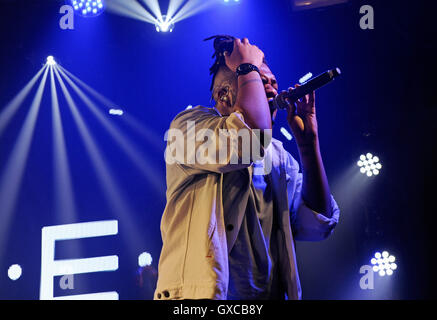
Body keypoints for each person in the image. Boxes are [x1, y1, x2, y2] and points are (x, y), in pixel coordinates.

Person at [154, 35, 340, 300]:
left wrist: (309, 146)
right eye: (259, 80)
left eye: (274, 82)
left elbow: (318, 224)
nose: (275, 90)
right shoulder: (187, 128)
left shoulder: (277, 156)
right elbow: (248, 142)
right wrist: (245, 65)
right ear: (223, 95)